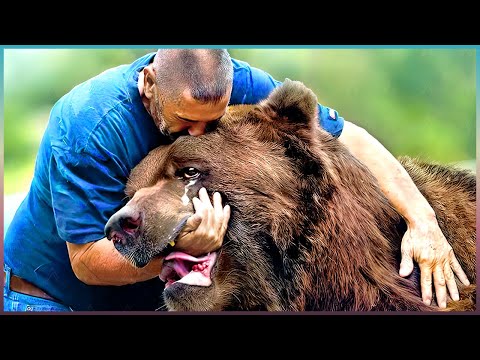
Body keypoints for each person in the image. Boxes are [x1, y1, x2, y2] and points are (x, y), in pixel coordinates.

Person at [3, 49, 470, 312]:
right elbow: (86, 261)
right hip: (52, 296)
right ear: (148, 83)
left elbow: (349, 134)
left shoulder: (223, 86)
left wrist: (422, 220)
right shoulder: (88, 127)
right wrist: (189, 251)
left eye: (214, 121)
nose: (203, 131)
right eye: (186, 121)